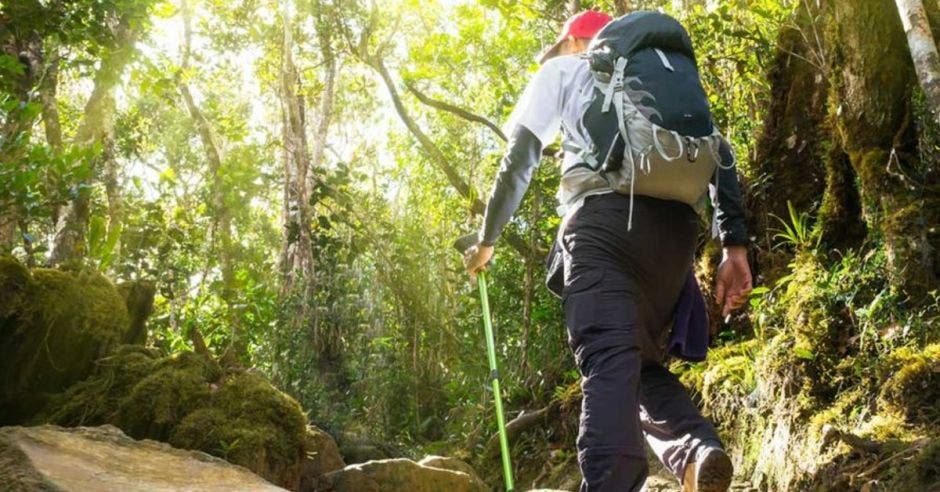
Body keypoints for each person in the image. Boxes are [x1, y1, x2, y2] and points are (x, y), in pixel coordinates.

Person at [462, 9, 753, 492]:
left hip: (604, 226)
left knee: (608, 357)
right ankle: (697, 452)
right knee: (641, 365)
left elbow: (520, 158)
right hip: (676, 234)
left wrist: (487, 240)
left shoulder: (564, 70)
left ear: (577, 42)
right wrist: (734, 247)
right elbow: (718, 153)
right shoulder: (666, 77)